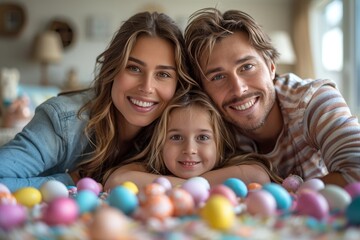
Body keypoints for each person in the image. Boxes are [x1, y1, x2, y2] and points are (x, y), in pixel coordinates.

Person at [0, 11, 197, 192]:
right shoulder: (63, 120)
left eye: (163, 74)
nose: (147, 87)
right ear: (112, 70)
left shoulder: (182, 128)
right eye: (134, 68)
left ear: (178, 84)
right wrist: (73, 180)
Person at [184, 7, 360, 187]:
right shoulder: (209, 126)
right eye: (218, 77)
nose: (238, 89)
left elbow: (357, 171)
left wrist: (285, 199)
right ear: (203, 89)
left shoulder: (313, 100)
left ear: (271, 66)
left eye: (246, 67)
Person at [104, 89, 282, 191]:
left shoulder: (232, 165)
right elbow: (116, 181)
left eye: (203, 137)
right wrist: (191, 186)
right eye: (176, 137)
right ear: (159, 143)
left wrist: (184, 185)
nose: (189, 149)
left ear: (219, 143)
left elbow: (258, 176)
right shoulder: (149, 168)